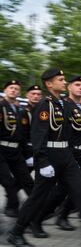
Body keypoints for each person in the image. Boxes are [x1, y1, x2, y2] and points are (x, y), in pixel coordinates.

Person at [6, 69, 81, 247]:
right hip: (50, 156)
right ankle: (16, 233)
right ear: (49, 84)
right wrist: (42, 161)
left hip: (66, 156)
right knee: (37, 197)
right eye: (60, 79)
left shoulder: (62, 104)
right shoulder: (45, 104)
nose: (64, 82)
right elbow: (38, 135)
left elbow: (70, 133)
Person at [0, 80, 33, 218]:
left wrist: (28, 155)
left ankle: (38, 209)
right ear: (5, 90)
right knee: (8, 182)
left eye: (16, 89)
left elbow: (22, 135)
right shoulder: (1, 106)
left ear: (19, 92)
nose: (13, 90)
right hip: (1, 150)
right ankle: (11, 208)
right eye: (11, 88)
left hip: (16, 151)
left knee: (28, 181)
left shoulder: (20, 110)